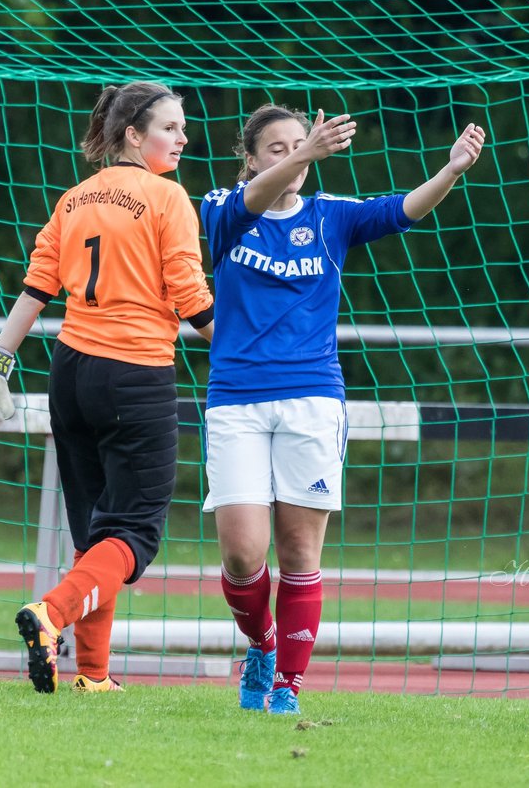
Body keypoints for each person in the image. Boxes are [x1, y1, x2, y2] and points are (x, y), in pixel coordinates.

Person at [200, 104, 487, 715]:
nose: (291, 156)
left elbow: (402, 209)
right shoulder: (222, 207)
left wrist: (452, 171)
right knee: (243, 555)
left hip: (311, 399)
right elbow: (250, 202)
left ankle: (286, 688)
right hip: (236, 402)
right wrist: (307, 153)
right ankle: (261, 644)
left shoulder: (332, 217)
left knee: (300, 553)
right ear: (249, 158)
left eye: (298, 145)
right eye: (275, 148)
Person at [0, 81, 215, 694]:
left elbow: (36, 289)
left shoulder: (74, 199)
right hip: (135, 374)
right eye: (169, 128)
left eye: (182, 128)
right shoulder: (168, 197)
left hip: (70, 371)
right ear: (132, 135)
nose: (181, 138)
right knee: (135, 532)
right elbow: (192, 300)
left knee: (97, 533)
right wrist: (245, 345)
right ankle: (50, 613)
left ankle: (93, 675)